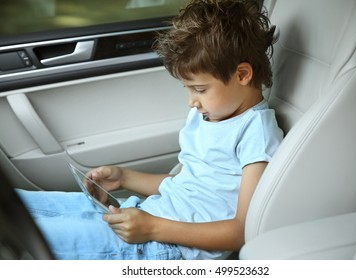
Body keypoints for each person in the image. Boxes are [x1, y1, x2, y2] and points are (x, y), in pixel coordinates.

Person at [16, 0, 283, 260]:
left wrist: (152, 227)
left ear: (243, 75)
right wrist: (123, 178)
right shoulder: (208, 115)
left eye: (199, 89)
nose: (191, 101)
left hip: (164, 247)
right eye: (187, 89)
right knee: (17, 207)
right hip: (144, 216)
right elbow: (184, 187)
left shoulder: (256, 134)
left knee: (22, 237)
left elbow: (241, 232)